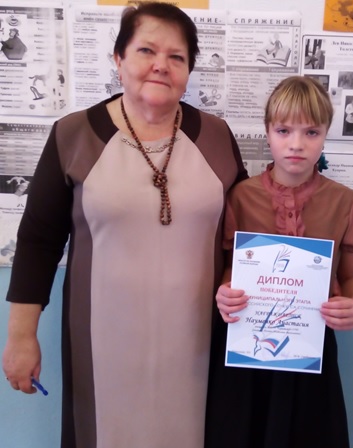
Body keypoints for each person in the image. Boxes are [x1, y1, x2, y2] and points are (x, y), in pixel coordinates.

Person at [2, 2, 247, 448]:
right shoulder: (73, 136)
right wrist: (20, 337)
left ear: (189, 70)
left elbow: (245, 235)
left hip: (198, 344)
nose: (161, 65)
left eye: (176, 56)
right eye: (146, 50)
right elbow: (38, 241)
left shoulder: (217, 137)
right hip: (100, 347)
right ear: (118, 58)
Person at [205, 76, 353, 448]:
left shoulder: (346, 202)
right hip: (245, 350)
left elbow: (351, 276)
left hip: (310, 348)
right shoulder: (239, 197)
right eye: (284, 130)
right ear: (268, 132)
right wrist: (225, 291)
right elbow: (231, 268)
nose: (296, 144)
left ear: (325, 135)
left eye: (311, 132)